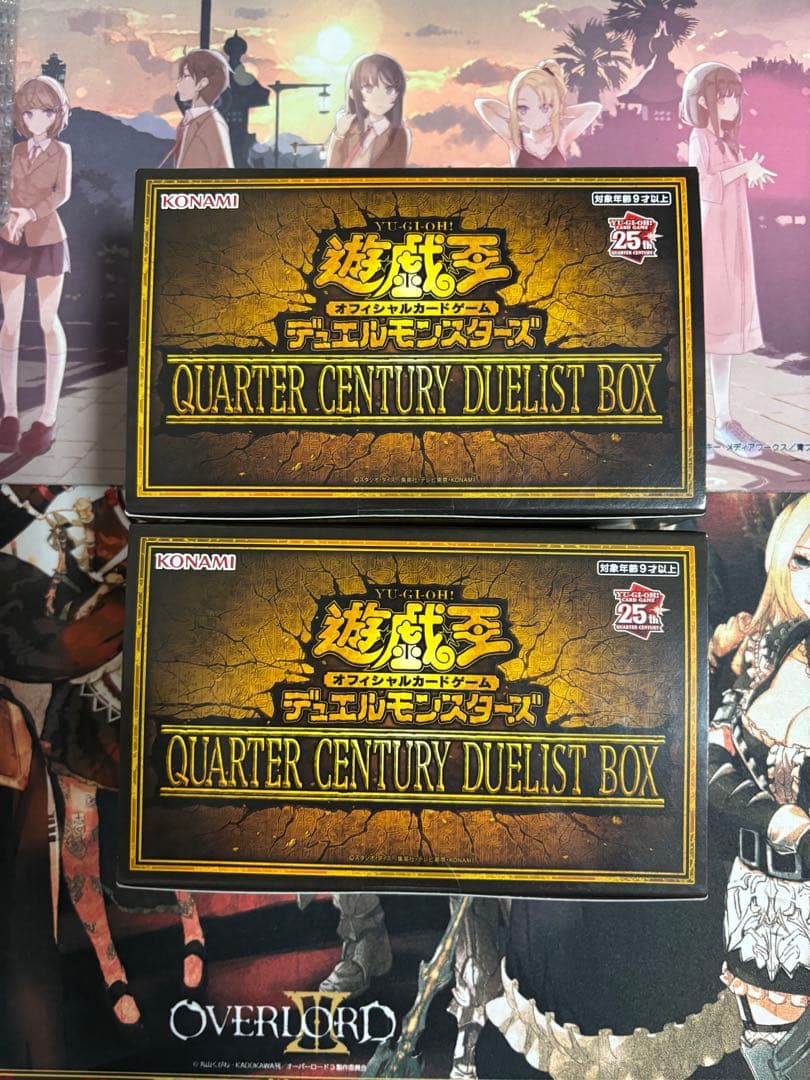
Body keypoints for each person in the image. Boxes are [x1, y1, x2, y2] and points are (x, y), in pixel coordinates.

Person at [708, 494, 810, 1078]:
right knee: (764, 1049)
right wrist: (773, 819)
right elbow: (711, 759)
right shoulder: (764, 656)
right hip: (756, 895)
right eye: (804, 559)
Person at [680, 62, 776, 461]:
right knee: (703, 336)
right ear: (703, 101)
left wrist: (745, 169)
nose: (733, 106)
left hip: (732, 244)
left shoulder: (727, 142)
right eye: (724, 98)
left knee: (722, 342)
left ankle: (724, 420)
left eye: (735, 98)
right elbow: (704, 183)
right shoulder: (700, 137)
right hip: (710, 246)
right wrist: (744, 169)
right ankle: (698, 429)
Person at [0, 76, 72, 457]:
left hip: (47, 239)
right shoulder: (13, 151)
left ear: (57, 114)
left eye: (44, 112)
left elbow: (63, 193)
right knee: (10, 323)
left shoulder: (62, 151)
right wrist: (11, 214)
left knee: (47, 321)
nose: (35, 120)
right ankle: (9, 414)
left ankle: (47, 419)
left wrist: (30, 213)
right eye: (28, 113)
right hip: (12, 239)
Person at [475, 61, 600, 167]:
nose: (534, 115)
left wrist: (557, 111)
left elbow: (594, 108)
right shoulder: (516, 140)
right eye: (523, 107)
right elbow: (482, 104)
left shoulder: (560, 140)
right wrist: (515, 114)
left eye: (544, 107)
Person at [325, 52, 410, 169]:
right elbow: (333, 170)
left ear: (398, 94)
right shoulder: (350, 128)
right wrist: (339, 134)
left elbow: (395, 173)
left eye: (389, 90)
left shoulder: (398, 135)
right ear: (353, 93)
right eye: (369, 89)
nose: (380, 97)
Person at [165, 49, 234, 169]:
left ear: (202, 83)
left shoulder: (213, 124)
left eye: (185, 76)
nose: (178, 83)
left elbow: (225, 172)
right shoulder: (186, 122)